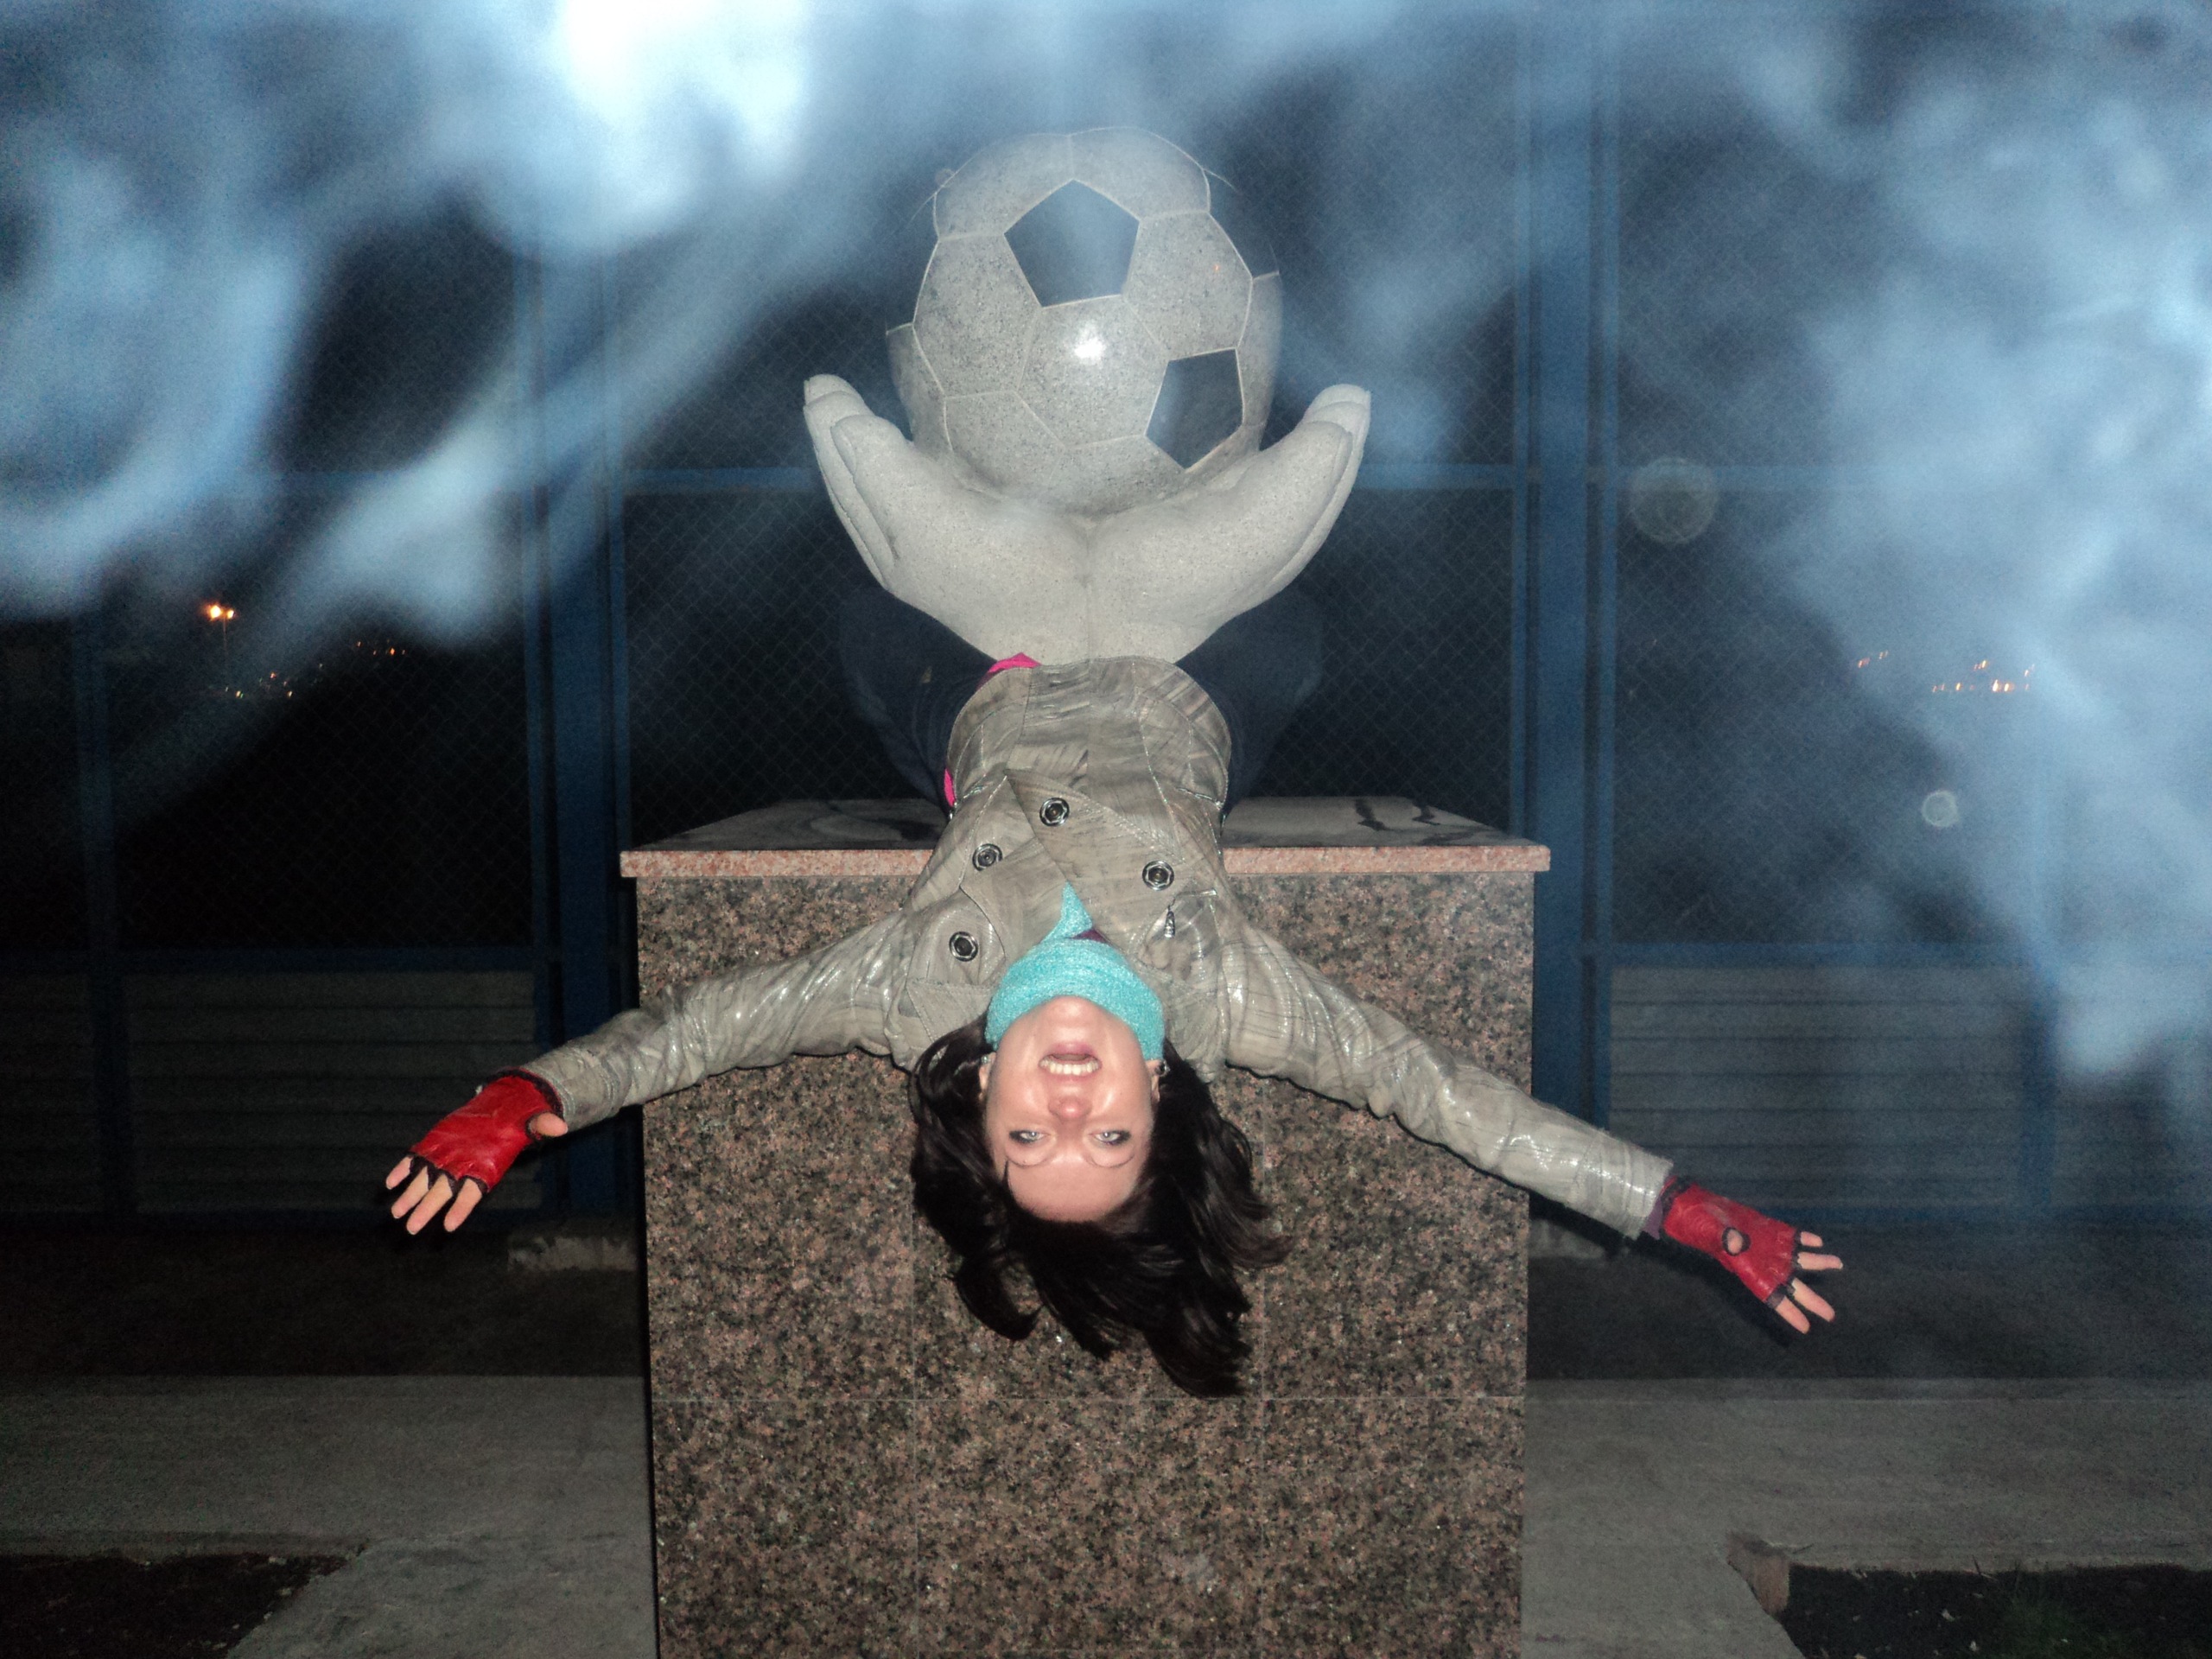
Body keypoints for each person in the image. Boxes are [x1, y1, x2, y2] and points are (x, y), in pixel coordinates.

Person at [388, 379, 1841, 1397]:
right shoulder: (1231, 1001)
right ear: (1161, 1095)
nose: (1071, 1101)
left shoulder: (909, 993)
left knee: (870, 623)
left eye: (1033, 1134)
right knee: (1292, 631)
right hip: (1187, 687)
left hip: (980, 692)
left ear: (981, 1103)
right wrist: (1675, 1208)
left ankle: (990, 545)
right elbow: (1446, 1095)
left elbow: (696, 1032)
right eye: (1111, 1135)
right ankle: (1156, 545)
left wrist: (531, 1096)